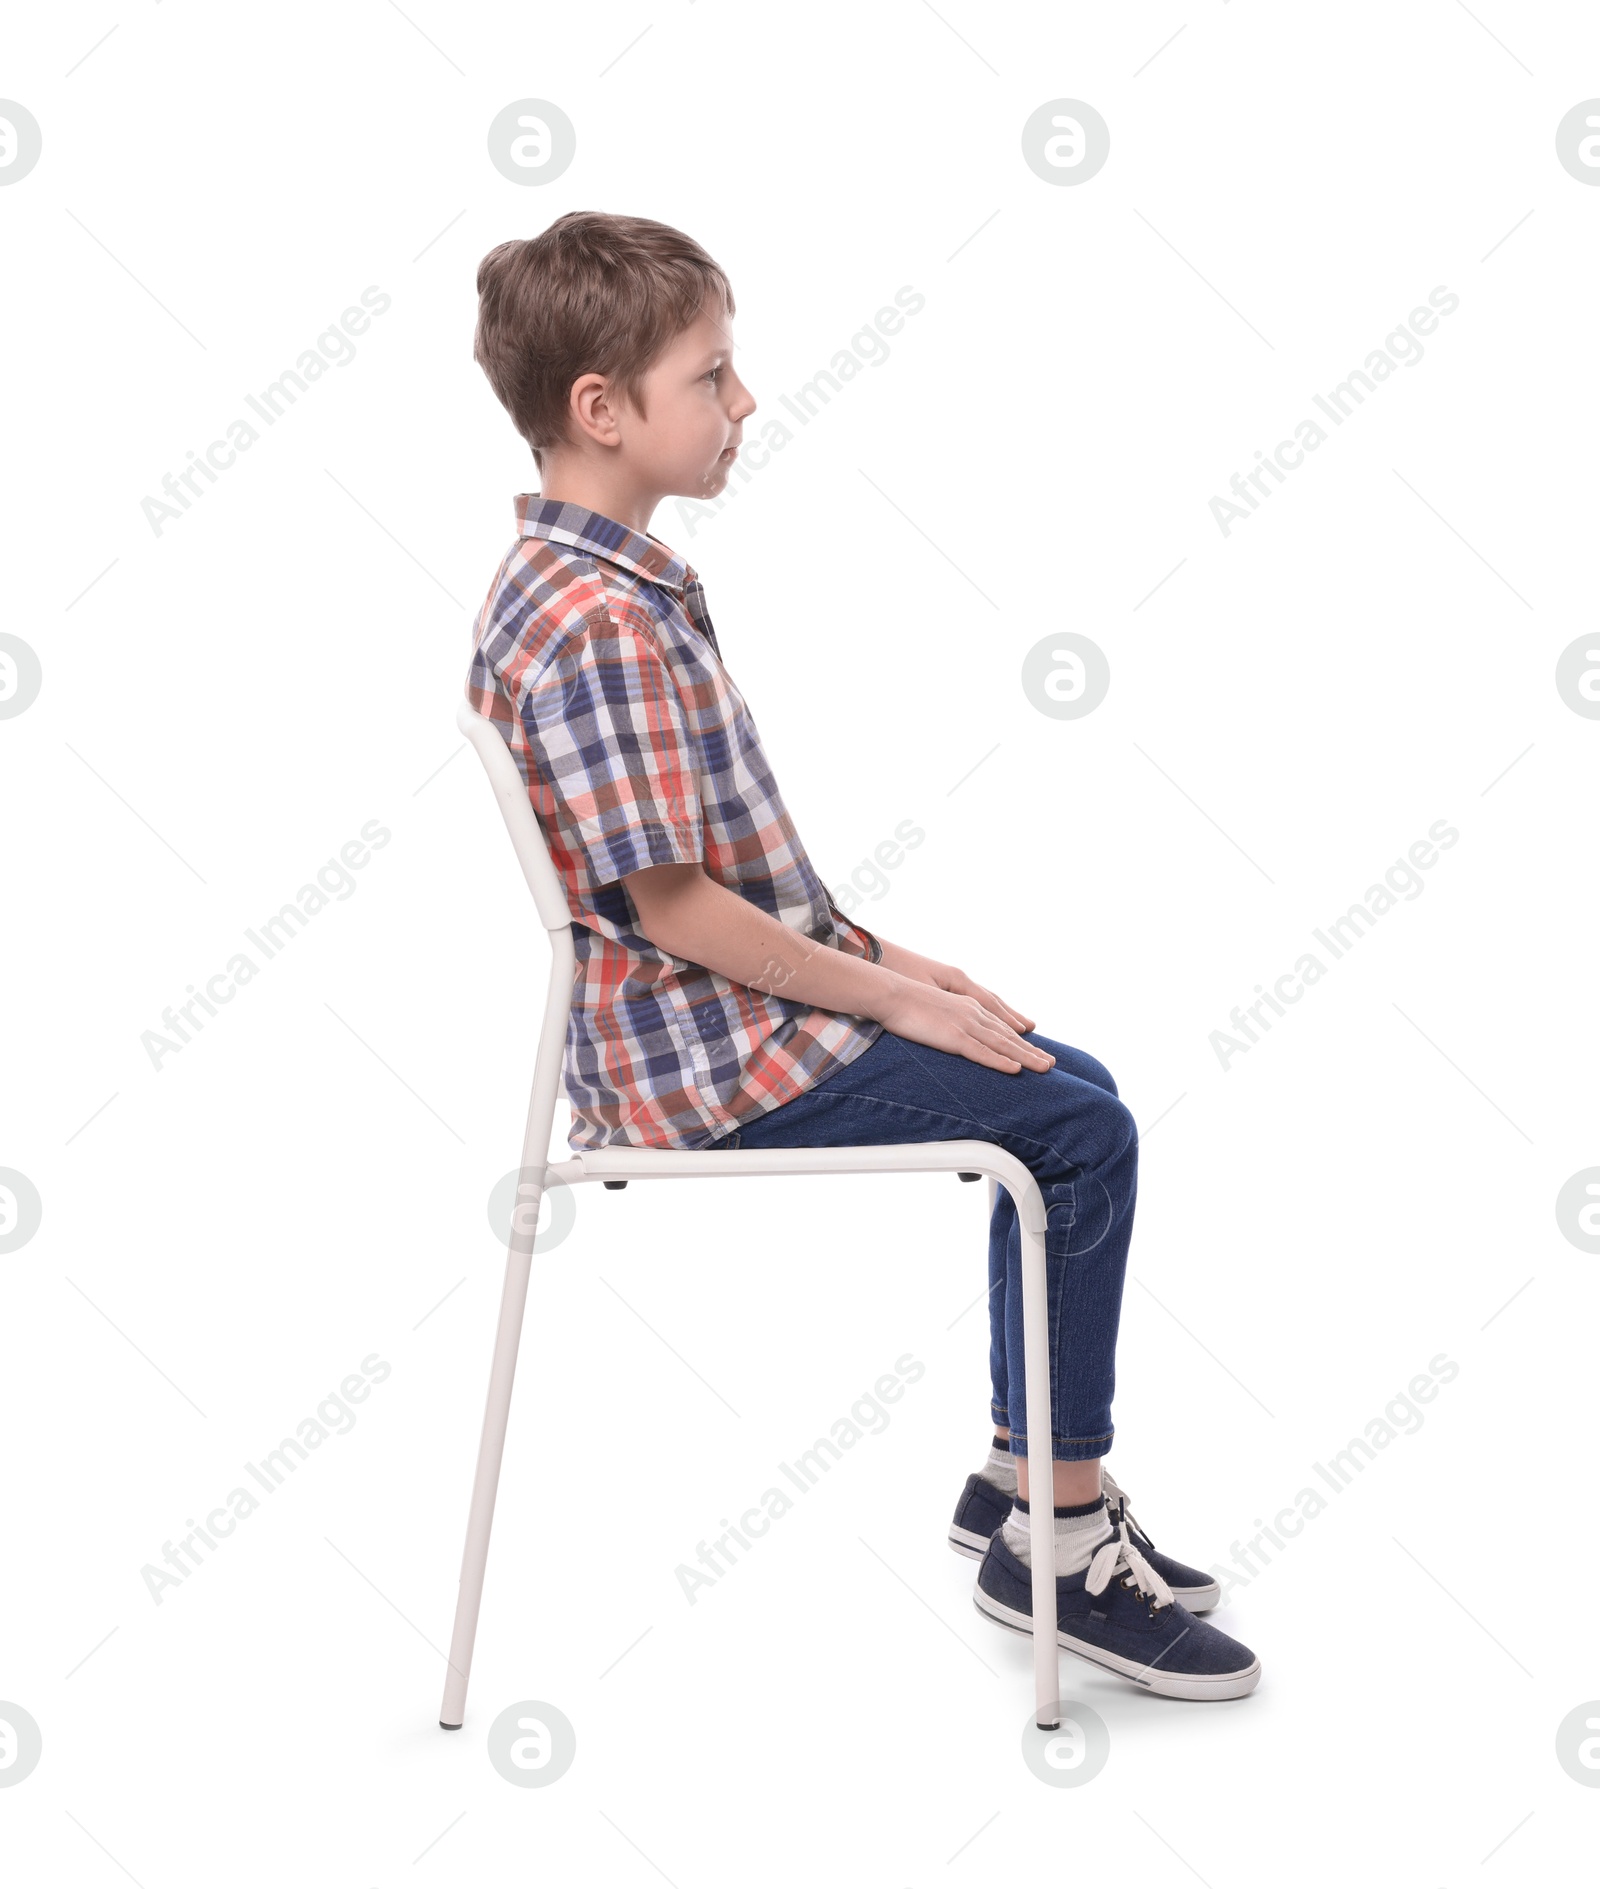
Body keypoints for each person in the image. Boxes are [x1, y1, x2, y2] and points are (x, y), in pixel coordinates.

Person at [465, 210, 1260, 1702]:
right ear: (602, 409)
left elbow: (740, 881)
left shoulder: (593, 585)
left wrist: (922, 967)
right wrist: (893, 998)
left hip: (711, 1018)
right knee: (1081, 1133)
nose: (744, 401)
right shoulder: (598, 627)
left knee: (1058, 1079)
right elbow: (679, 911)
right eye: (711, 376)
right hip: (706, 1061)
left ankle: (1026, 1476)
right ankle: (1059, 1539)